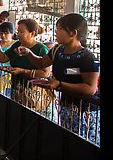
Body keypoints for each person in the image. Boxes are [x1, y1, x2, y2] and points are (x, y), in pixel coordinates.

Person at [15, 13, 100, 144]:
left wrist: (60, 84)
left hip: (84, 113)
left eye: (60, 28)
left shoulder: (87, 57)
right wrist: (28, 53)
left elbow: (90, 89)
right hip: (65, 106)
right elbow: (41, 63)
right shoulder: (58, 50)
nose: (56, 31)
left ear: (73, 33)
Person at [0, 18, 52, 109]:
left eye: (21, 32)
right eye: (18, 32)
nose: (18, 35)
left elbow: (46, 73)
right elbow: (3, 58)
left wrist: (22, 71)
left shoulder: (41, 49)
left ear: (32, 34)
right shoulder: (17, 45)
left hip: (34, 91)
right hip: (16, 87)